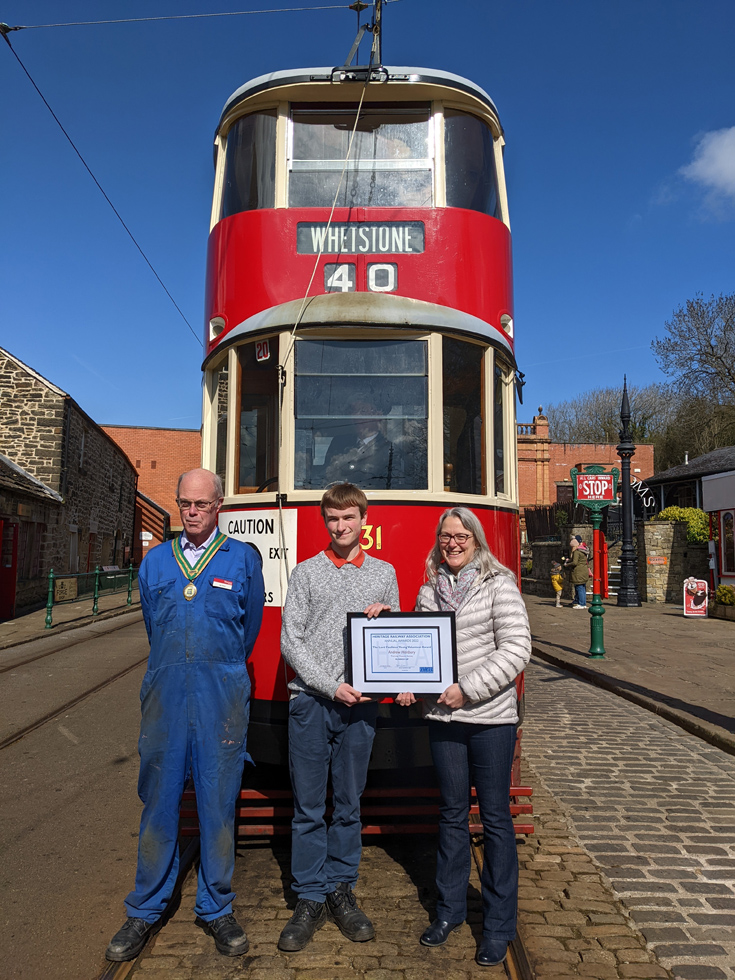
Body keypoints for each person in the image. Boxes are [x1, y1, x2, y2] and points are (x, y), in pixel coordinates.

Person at [106, 469, 264, 962]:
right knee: (159, 798)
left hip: (222, 693)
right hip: (167, 694)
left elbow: (250, 626)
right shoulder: (154, 563)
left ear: (219, 506)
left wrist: (219, 669)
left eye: (201, 504)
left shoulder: (242, 559)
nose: (192, 512)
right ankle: (146, 908)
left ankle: (216, 907)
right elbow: (156, 627)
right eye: (184, 504)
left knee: (219, 803)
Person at [396, 507, 530, 968]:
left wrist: (466, 690)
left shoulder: (500, 583)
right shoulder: (429, 589)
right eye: (446, 536)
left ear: (476, 540)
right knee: (451, 815)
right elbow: (417, 648)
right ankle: (449, 911)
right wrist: (408, 683)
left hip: (491, 719)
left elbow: (517, 648)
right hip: (444, 721)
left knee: (494, 818)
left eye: (461, 536)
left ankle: (497, 926)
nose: (453, 543)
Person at [278, 483, 400, 952]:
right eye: (332, 519)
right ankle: (309, 897)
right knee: (309, 807)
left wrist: (390, 616)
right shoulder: (306, 573)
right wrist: (330, 686)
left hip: (362, 708)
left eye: (349, 518)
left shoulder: (384, 572)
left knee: (348, 803)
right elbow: (292, 642)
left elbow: (393, 639)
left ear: (363, 520)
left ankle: (341, 889)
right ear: (324, 522)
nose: (341, 526)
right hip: (311, 703)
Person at [324, 399, 396, 490]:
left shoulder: (390, 449)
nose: (357, 416)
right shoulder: (338, 442)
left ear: (378, 415)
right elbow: (324, 475)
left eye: (363, 411)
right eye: (354, 411)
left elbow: (393, 486)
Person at [564, 535, 589, 609]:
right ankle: (582, 603)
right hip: (584, 571)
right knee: (582, 588)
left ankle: (581, 604)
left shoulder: (577, 552)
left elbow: (575, 562)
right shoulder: (584, 550)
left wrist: (567, 564)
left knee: (579, 588)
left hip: (578, 573)